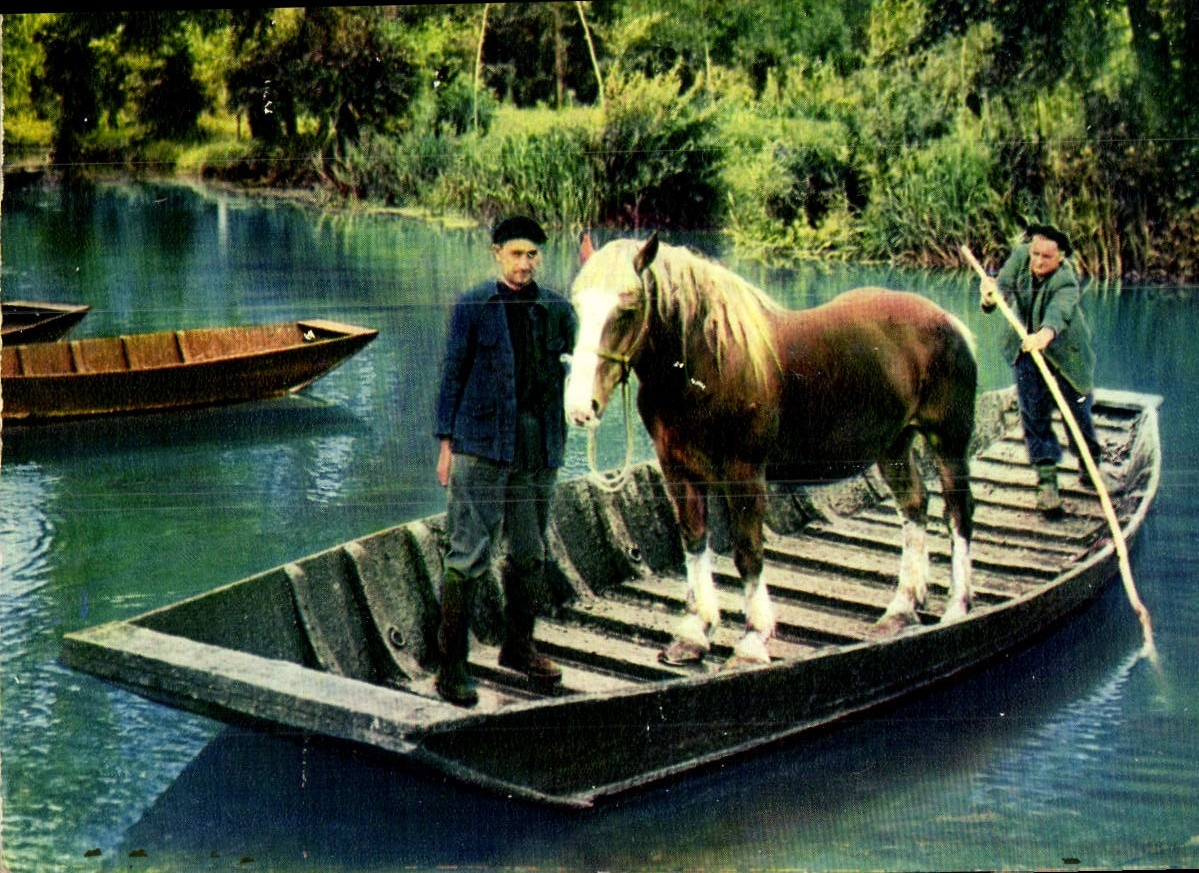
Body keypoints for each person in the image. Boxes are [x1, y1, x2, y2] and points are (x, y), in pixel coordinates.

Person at [432, 216, 578, 706]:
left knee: (530, 555)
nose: (524, 264)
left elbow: (589, 363)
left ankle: (518, 648)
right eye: (515, 254)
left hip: (537, 449)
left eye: (532, 255)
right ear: (497, 253)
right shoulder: (474, 305)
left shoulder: (558, 309)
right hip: (481, 445)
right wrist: (446, 443)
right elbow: (452, 373)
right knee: (468, 555)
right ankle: (450, 668)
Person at [979, 223, 1113, 516]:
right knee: (1034, 413)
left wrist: (1044, 335)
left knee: (1076, 415)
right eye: (1035, 254)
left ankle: (1090, 463)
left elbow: (1059, 313)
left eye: (1047, 257)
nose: (1038, 261)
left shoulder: (1066, 281)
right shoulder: (1021, 258)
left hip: (1066, 355)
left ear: (1061, 258)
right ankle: (1047, 483)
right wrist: (989, 295)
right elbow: (1001, 288)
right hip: (1025, 348)